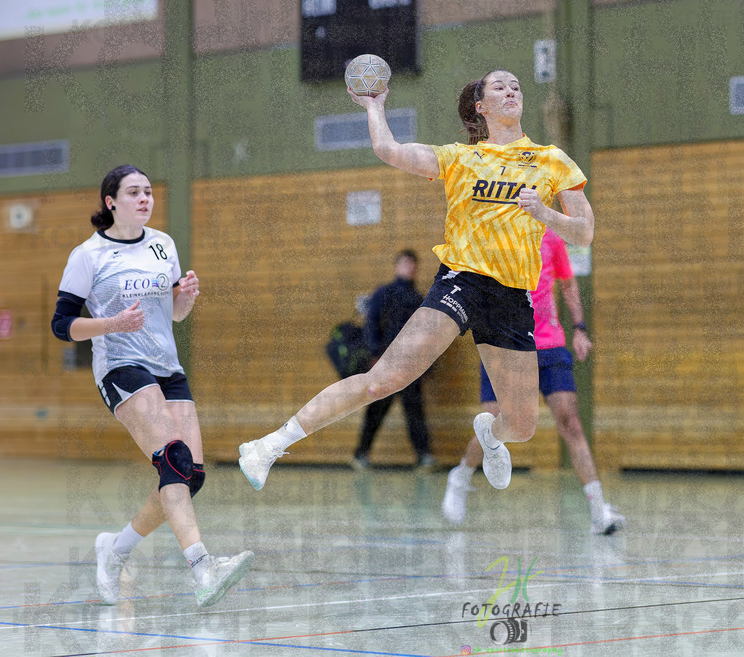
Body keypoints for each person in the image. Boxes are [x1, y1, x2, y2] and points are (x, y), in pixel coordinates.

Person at [239, 69, 595, 495]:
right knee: (383, 379)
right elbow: (387, 149)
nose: (511, 90)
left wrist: (545, 214)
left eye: (516, 85)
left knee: (520, 427)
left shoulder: (551, 159)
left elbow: (585, 231)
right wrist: (375, 106)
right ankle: (268, 446)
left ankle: (491, 435)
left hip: (514, 299)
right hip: (462, 282)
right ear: (481, 106)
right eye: (499, 86)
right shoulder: (461, 158)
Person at [51, 165, 254, 608]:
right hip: (121, 367)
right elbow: (62, 325)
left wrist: (186, 299)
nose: (145, 199)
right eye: (134, 192)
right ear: (111, 202)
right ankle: (203, 569)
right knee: (175, 460)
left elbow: (174, 315)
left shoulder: (163, 245)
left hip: (167, 366)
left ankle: (116, 548)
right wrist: (112, 323)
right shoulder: (89, 255)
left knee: (189, 475)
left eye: (148, 192)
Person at [442, 229, 626, 534]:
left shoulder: (551, 238)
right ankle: (460, 477)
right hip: (505, 345)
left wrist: (579, 328)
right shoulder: (491, 235)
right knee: (494, 425)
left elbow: (567, 284)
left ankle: (598, 512)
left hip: (549, 345)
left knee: (571, 422)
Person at [350, 249, 436, 470]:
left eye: (413, 264)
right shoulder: (383, 293)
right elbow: (371, 325)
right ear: (397, 266)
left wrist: (428, 366)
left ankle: (424, 456)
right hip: (386, 365)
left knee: (414, 410)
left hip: (411, 367)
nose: (410, 267)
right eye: (405, 263)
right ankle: (361, 454)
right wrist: (374, 356)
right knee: (377, 409)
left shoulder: (420, 299)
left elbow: (428, 337)